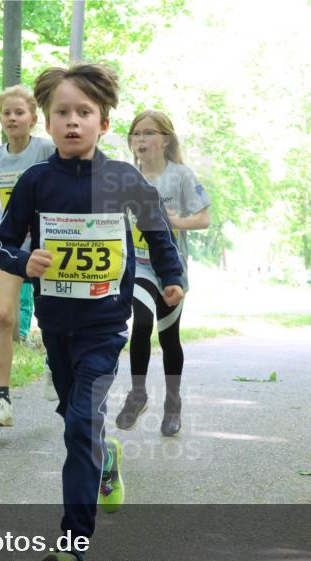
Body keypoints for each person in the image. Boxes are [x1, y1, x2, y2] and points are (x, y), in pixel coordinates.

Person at [0, 63, 184, 561]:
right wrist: (24, 258)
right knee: (75, 417)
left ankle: (72, 547)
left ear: (102, 123)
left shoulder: (123, 177)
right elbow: (3, 243)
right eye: (62, 113)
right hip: (57, 325)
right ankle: (106, 455)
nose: (73, 122)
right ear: (46, 122)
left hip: (105, 325)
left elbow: (156, 229)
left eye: (85, 113)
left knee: (79, 423)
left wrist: (172, 277)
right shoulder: (35, 181)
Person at [115, 110, 210, 437]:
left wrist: (172, 222)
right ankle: (138, 393)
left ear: (165, 139)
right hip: (138, 265)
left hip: (171, 269)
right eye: (136, 133)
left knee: (170, 338)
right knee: (140, 323)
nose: (140, 139)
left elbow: (203, 219)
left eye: (148, 133)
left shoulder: (180, 175)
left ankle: (172, 403)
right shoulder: (126, 176)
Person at [0, 85, 57, 427]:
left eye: (19, 112)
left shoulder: (46, 150)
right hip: (9, 245)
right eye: (6, 112)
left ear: (34, 119)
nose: (12, 118)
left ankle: (55, 366)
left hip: (47, 244)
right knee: (5, 317)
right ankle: (2, 401)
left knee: (50, 318)